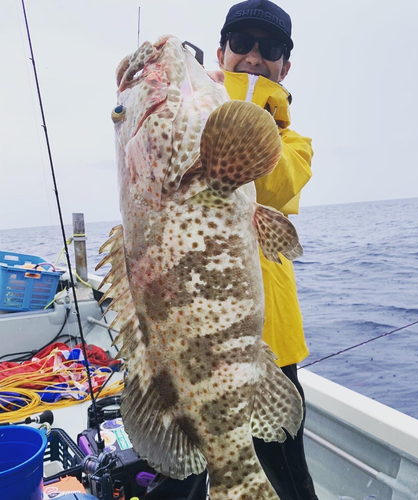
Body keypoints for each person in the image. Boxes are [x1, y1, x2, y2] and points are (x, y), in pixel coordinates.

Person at [146, 1, 316, 498]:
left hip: (270, 348)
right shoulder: (190, 120)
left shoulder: (294, 143)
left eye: (272, 49)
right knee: (185, 481)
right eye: (241, 44)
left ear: (286, 65)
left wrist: (243, 101)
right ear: (220, 52)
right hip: (186, 345)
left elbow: (277, 185)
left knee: (288, 485)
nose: (255, 56)